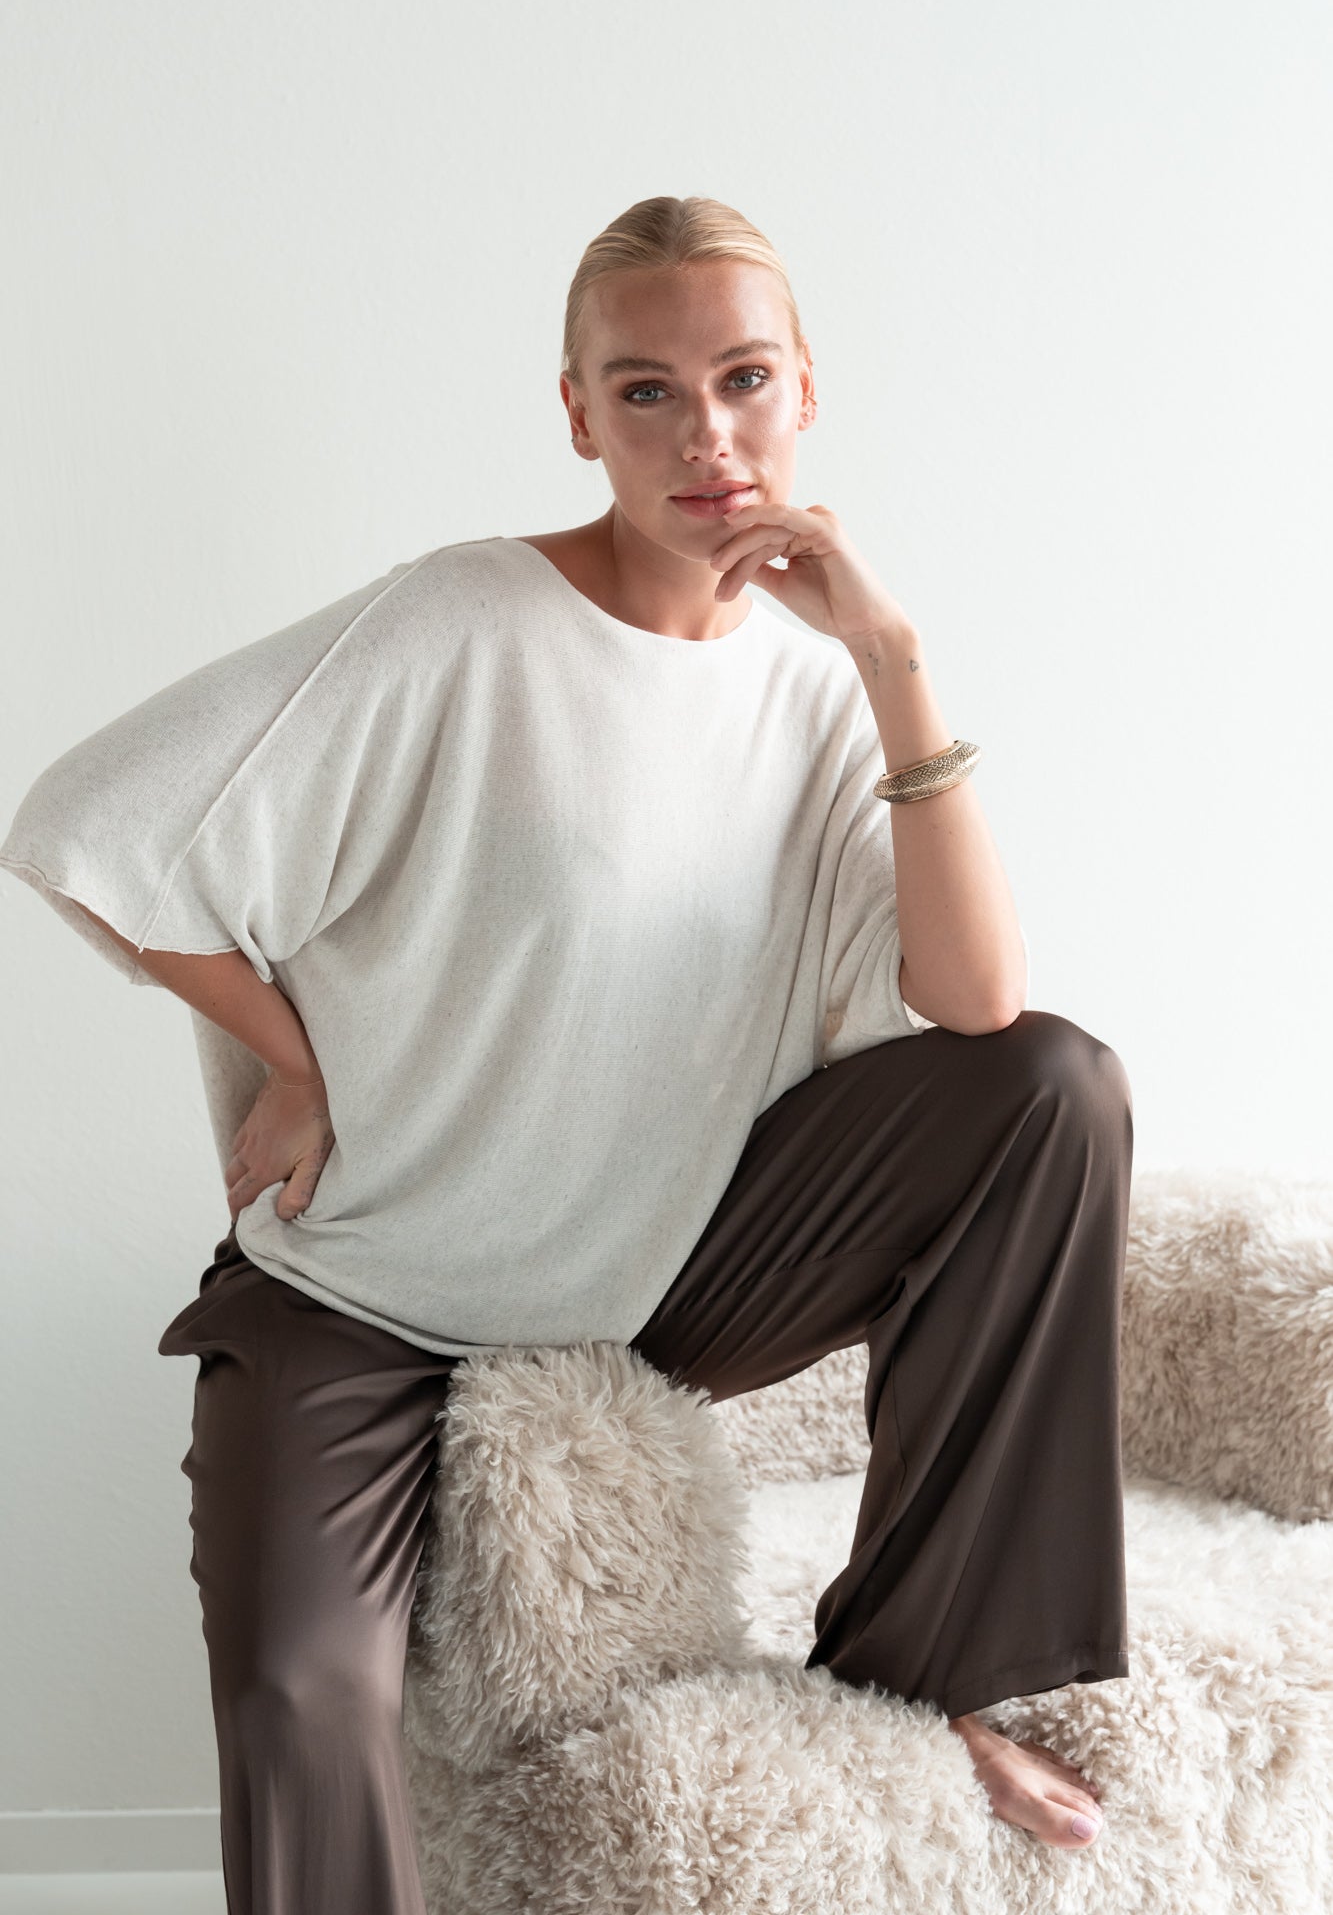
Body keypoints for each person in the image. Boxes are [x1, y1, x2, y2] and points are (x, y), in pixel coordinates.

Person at [0, 194, 1129, 1911]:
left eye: (741, 380)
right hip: (364, 1291)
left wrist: (891, 658)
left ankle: (924, 1681)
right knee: (301, 1693)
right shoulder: (461, 618)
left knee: (1052, 1087)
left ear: (805, 390)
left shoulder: (820, 695)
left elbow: (978, 1014)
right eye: (644, 391)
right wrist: (293, 1057)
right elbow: (90, 820)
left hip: (664, 1274)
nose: (704, 435)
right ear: (578, 414)